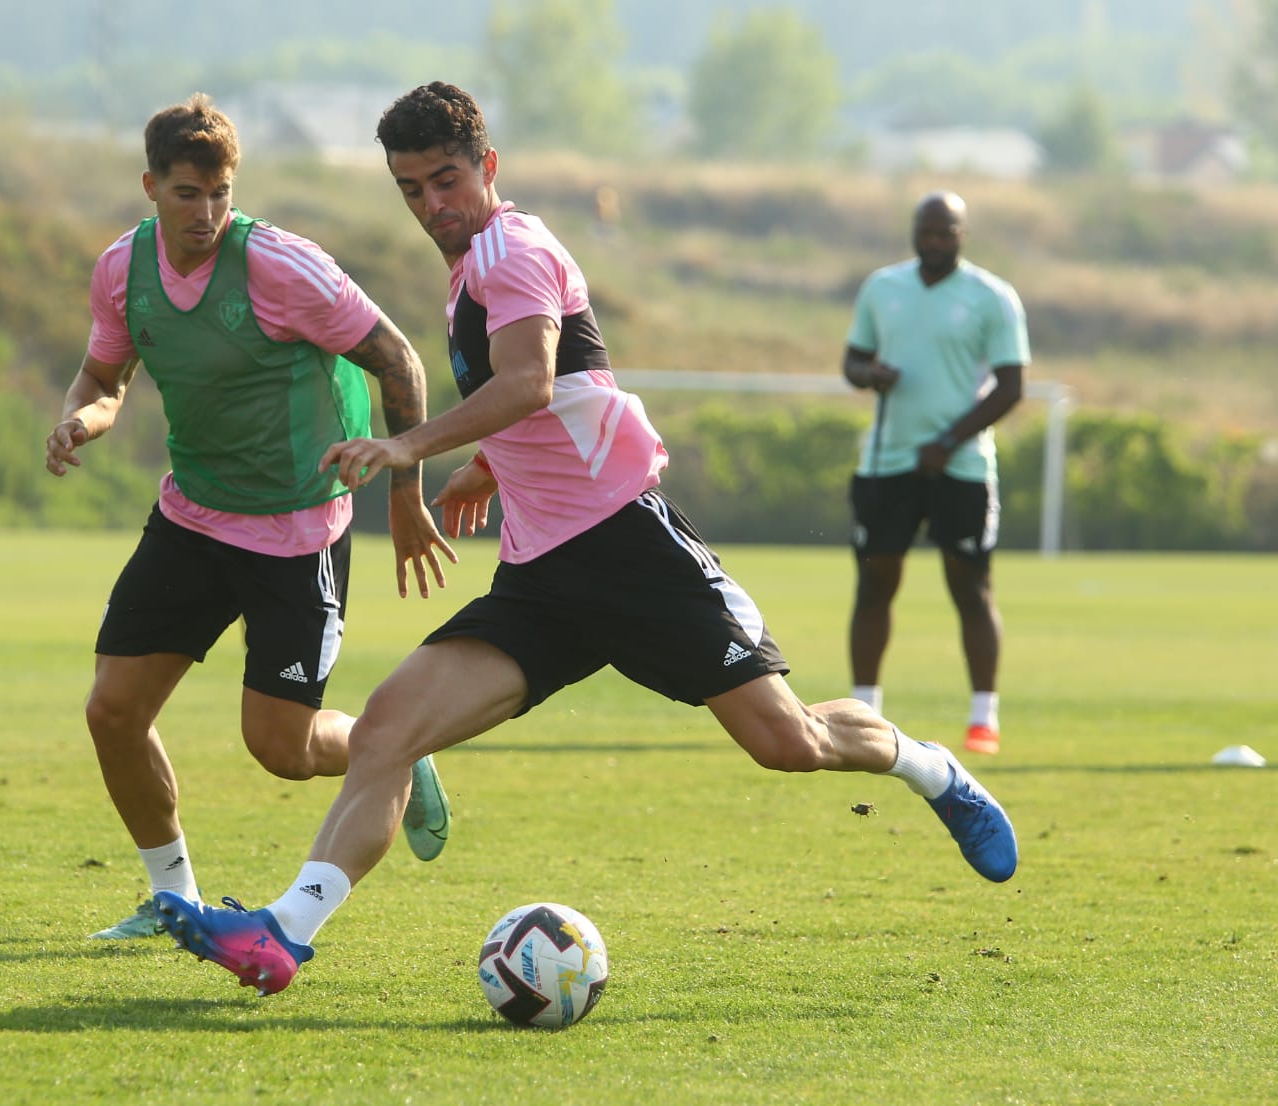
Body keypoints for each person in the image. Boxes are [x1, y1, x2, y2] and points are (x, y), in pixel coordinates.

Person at [150, 82, 1018, 997]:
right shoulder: (470, 268)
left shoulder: (513, 251)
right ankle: (285, 934)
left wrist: (409, 442)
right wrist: (492, 467)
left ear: (487, 168)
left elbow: (528, 381)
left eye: (445, 180)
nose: (430, 205)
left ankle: (933, 768)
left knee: (788, 742)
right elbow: (568, 393)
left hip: (631, 554)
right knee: (387, 731)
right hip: (544, 579)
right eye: (410, 189)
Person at [43, 92, 458, 941]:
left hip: (298, 529)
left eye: (220, 193)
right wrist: (82, 418)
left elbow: (397, 360)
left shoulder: (282, 266)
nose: (206, 213)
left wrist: (405, 489)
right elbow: (105, 379)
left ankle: (396, 755)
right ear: (151, 186)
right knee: (112, 712)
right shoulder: (122, 270)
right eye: (188, 193)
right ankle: (173, 898)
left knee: (282, 749)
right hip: (194, 515)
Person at [841, 191, 1029, 757]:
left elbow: (1012, 385)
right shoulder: (882, 287)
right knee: (875, 584)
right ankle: (864, 711)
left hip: (962, 467)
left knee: (970, 588)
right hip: (888, 459)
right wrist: (870, 372)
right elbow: (851, 361)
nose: (935, 239)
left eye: (946, 231)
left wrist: (949, 442)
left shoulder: (991, 297)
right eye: (927, 229)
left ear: (963, 234)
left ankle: (982, 718)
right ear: (914, 230)